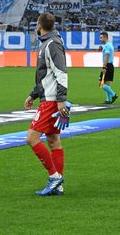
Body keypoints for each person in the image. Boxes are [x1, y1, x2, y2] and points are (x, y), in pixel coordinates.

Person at [23, 13, 70, 196]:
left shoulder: (52, 44)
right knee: (53, 140)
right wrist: (33, 94)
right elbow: (45, 75)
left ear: (39, 25)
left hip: (51, 101)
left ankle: (55, 177)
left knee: (31, 138)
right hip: (47, 97)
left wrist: (60, 100)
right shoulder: (48, 43)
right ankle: (58, 184)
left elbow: (61, 72)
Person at [100, 31, 118, 104]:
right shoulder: (110, 45)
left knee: (101, 84)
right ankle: (108, 99)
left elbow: (107, 56)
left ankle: (114, 95)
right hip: (110, 65)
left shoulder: (107, 46)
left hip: (107, 65)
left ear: (105, 37)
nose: (100, 39)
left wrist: (104, 67)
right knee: (107, 84)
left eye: (101, 38)